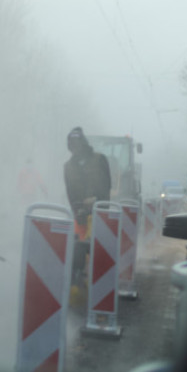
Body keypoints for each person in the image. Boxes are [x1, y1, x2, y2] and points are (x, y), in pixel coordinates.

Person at [62, 127, 111, 304]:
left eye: (77, 143)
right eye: (71, 144)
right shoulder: (67, 167)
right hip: (80, 217)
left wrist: (96, 200)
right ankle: (78, 291)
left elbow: (107, 190)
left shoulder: (99, 160)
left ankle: (97, 296)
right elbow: (70, 194)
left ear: (83, 143)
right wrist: (78, 210)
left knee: (95, 255)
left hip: (99, 217)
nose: (74, 147)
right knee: (77, 252)